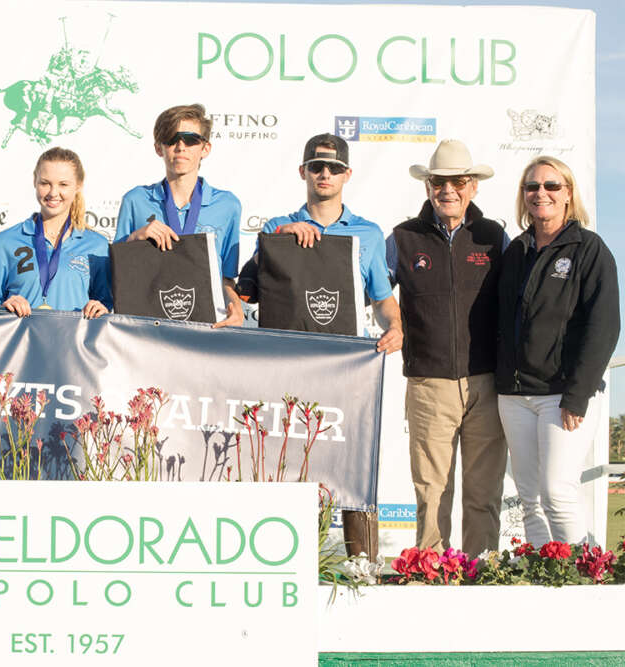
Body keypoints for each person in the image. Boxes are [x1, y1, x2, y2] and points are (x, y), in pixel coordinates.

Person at [239, 132, 403, 557]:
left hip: (349, 369)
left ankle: (362, 564)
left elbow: (383, 301)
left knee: (353, 464)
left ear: (347, 174)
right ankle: (294, 561)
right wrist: (277, 246)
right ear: (303, 173)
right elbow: (244, 293)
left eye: (333, 167)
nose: (324, 173)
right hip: (288, 369)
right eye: (316, 166)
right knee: (293, 467)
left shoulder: (368, 233)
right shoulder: (276, 227)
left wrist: (396, 327)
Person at [387, 139, 508, 556]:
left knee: (483, 494)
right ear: (428, 187)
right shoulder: (402, 238)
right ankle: (431, 576)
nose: (448, 190)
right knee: (432, 492)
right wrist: (393, 323)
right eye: (439, 182)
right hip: (428, 383)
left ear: (472, 186)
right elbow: (374, 291)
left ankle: (480, 574)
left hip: (487, 383)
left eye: (457, 181)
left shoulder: (494, 236)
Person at [496, 156, 619, 545]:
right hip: (514, 395)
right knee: (529, 499)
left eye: (551, 186)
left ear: (568, 194)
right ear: (523, 196)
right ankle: (543, 576)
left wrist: (577, 394)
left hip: (563, 395)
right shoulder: (516, 250)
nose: (541, 194)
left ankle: (586, 577)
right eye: (532, 187)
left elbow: (604, 326)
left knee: (558, 493)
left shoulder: (589, 249)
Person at [114, 104, 243, 328]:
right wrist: (136, 238)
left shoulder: (228, 205)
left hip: (207, 326)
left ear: (205, 148)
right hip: (150, 325)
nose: (181, 146)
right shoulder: (135, 200)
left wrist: (237, 306)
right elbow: (114, 273)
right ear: (159, 148)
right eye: (171, 139)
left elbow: (226, 278)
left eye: (191, 139)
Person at [0, 147, 111, 318]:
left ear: (78, 185)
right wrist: (3, 306)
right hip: (22, 343)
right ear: (35, 181)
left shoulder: (97, 245)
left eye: (63, 184)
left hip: (73, 343)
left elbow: (107, 307)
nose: (53, 192)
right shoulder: (4, 242)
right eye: (45, 183)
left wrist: (102, 309)